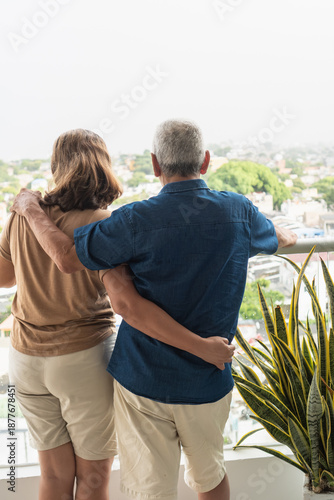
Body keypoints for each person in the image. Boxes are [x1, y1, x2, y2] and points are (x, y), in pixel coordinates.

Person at [11, 120, 297, 500]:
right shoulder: (239, 211)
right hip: (206, 379)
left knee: (146, 489)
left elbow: (66, 258)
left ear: (155, 164)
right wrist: (284, 234)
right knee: (210, 476)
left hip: (139, 379)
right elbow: (279, 237)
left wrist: (29, 207)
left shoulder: (131, 220)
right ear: (206, 161)